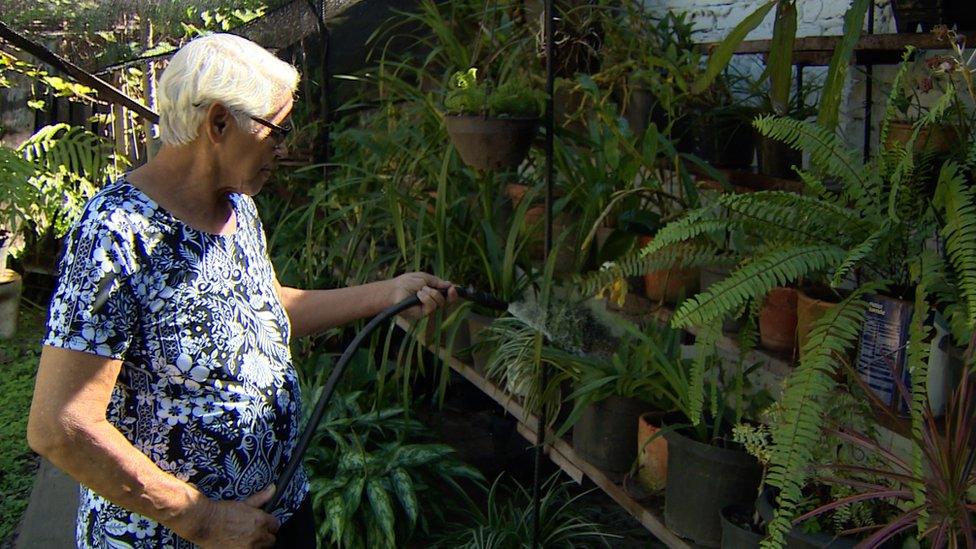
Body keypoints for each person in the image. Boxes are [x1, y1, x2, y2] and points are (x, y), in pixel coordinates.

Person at [26, 33, 456, 549]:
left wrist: (387, 293)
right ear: (219, 123)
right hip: (176, 538)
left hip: (277, 513)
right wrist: (199, 518)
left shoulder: (237, 208)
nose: (285, 145)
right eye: (278, 129)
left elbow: (264, 311)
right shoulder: (116, 234)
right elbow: (61, 425)